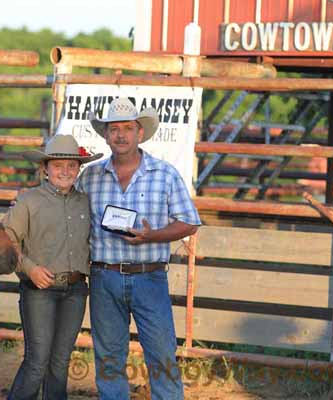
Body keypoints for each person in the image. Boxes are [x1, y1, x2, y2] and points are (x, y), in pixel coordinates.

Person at [78, 98, 201, 399]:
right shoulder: (90, 177)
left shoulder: (164, 173)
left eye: (128, 128)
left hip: (149, 277)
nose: (121, 135)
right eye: (114, 129)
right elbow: (71, 217)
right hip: (104, 276)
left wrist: (152, 236)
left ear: (140, 133)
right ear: (105, 135)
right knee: (109, 360)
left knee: (161, 356)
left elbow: (189, 223)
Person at [4, 134, 103, 400]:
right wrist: (29, 268)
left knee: (60, 362)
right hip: (40, 289)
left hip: (75, 289)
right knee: (37, 361)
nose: (65, 171)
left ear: (78, 169)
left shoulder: (84, 201)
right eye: (58, 165)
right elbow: (7, 239)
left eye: (72, 166)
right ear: (45, 169)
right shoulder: (29, 201)